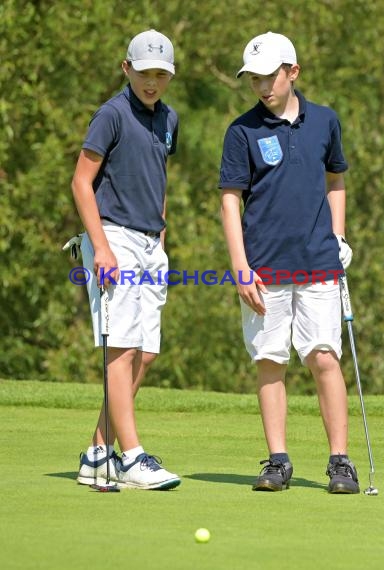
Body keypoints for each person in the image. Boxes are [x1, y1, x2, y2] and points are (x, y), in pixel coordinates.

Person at [219, 32, 359, 494]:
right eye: (254, 79)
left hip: (319, 262)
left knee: (323, 356)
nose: (261, 86)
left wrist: (338, 236)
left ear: (292, 72)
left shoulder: (325, 121)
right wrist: (240, 265)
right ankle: (277, 461)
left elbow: (335, 179)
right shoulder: (242, 130)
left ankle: (340, 461)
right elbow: (230, 200)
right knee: (270, 361)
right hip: (264, 268)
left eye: (269, 77)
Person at [71, 29, 180, 489]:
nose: (151, 82)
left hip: (152, 243)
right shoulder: (111, 115)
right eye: (143, 73)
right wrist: (102, 247)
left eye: (160, 74)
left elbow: (158, 177)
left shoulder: (169, 118)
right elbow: (81, 182)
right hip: (114, 238)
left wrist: (161, 229)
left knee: (146, 353)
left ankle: (99, 450)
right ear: (126, 69)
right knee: (122, 351)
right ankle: (131, 457)